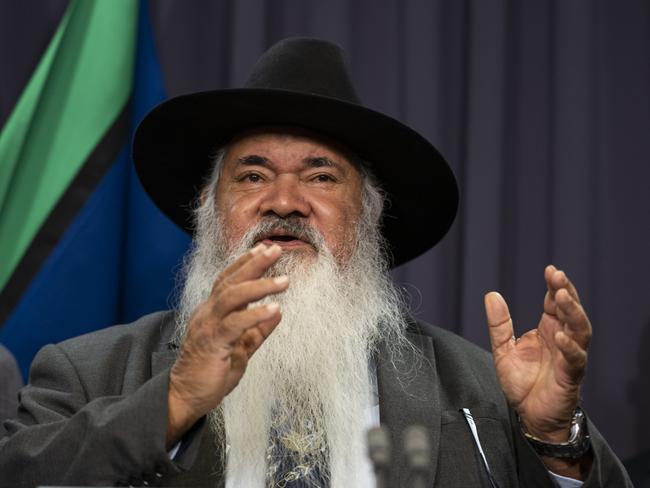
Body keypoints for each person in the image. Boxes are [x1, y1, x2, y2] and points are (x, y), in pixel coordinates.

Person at [0, 38, 631, 487]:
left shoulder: (477, 393)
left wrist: (553, 441)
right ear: (207, 209)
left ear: (369, 214)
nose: (285, 202)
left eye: (321, 176)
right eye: (252, 176)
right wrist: (173, 399)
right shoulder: (88, 372)